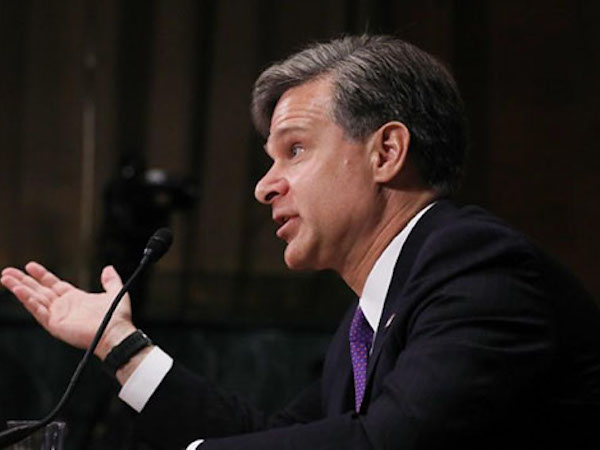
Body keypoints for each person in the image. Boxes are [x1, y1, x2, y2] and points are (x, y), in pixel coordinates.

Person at [2, 34, 600, 450]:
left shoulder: (479, 270)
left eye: (295, 150)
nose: (264, 186)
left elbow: (387, 443)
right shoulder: (367, 323)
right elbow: (275, 439)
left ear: (387, 152)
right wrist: (121, 346)